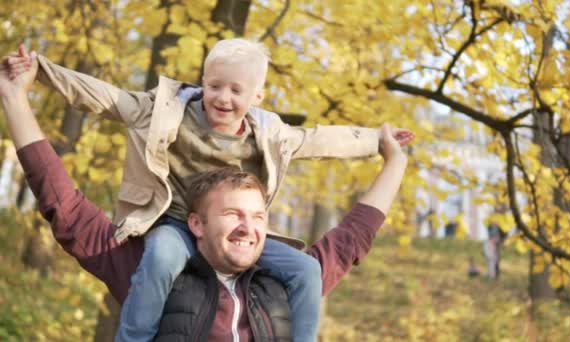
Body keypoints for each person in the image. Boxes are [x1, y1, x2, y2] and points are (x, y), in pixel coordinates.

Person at [4, 40, 414, 341]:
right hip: (172, 224)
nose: (223, 98)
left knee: (306, 268)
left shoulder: (269, 137)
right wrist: (39, 72)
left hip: (224, 244)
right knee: (163, 253)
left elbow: (322, 142)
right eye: (215, 86)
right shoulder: (166, 113)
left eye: (237, 91)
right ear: (202, 81)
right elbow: (104, 103)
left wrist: (380, 145)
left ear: (256, 97)